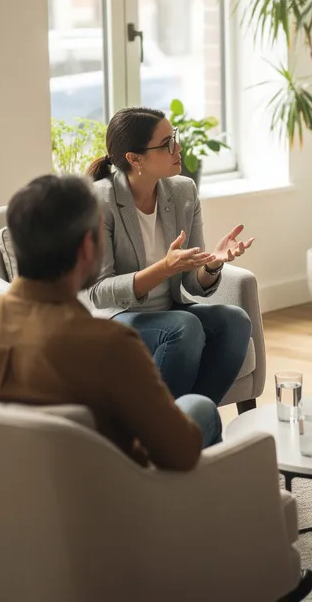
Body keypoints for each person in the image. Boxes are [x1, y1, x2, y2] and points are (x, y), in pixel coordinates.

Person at [0, 175, 215, 469]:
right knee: (200, 408)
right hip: (104, 497)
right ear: (87, 247)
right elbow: (180, 454)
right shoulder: (109, 343)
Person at [85, 107, 254, 404]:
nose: (178, 148)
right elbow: (99, 293)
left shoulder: (183, 192)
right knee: (185, 327)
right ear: (134, 159)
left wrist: (212, 264)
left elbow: (190, 282)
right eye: (166, 144)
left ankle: (192, 422)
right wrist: (163, 268)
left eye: (174, 137)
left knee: (235, 320)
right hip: (118, 319)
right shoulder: (101, 200)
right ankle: (169, 431)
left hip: (170, 311)